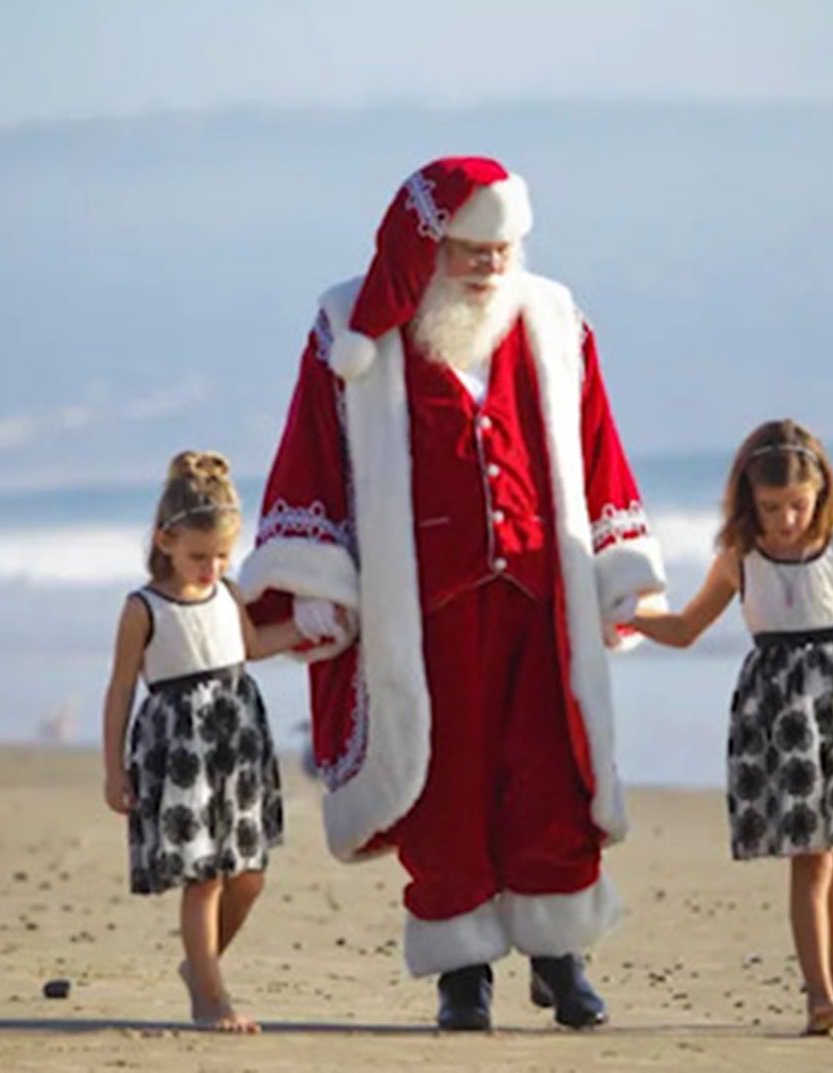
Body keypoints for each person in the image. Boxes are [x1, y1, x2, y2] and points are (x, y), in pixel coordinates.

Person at [240, 156, 666, 1030]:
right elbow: (311, 450)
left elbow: (596, 449)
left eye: (503, 248)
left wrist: (621, 577)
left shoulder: (554, 321)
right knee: (443, 777)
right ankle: (461, 969)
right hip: (420, 609)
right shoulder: (347, 332)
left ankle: (558, 950)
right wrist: (314, 581)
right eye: (471, 249)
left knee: (552, 767)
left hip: (542, 596)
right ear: (426, 245)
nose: (489, 266)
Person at [629, 418, 833, 1036]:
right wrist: (628, 615)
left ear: (821, 494)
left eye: (798, 505)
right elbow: (685, 629)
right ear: (748, 502)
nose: (787, 520)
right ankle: (818, 992)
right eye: (771, 508)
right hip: (783, 717)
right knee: (810, 856)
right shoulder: (741, 559)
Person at [101, 450, 304, 1033]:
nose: (211, 568)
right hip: (179, 751)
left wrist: (309, 627)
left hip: (237, 743)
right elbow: (119, 690)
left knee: (250, 876)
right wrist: (113, 771)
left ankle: (199, 968)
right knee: (205, 877)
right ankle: (211, 1000)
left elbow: (251, 648)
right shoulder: (143, 608)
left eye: (221, 556)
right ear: (165, 541)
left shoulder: (228, 593)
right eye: (199, 556)